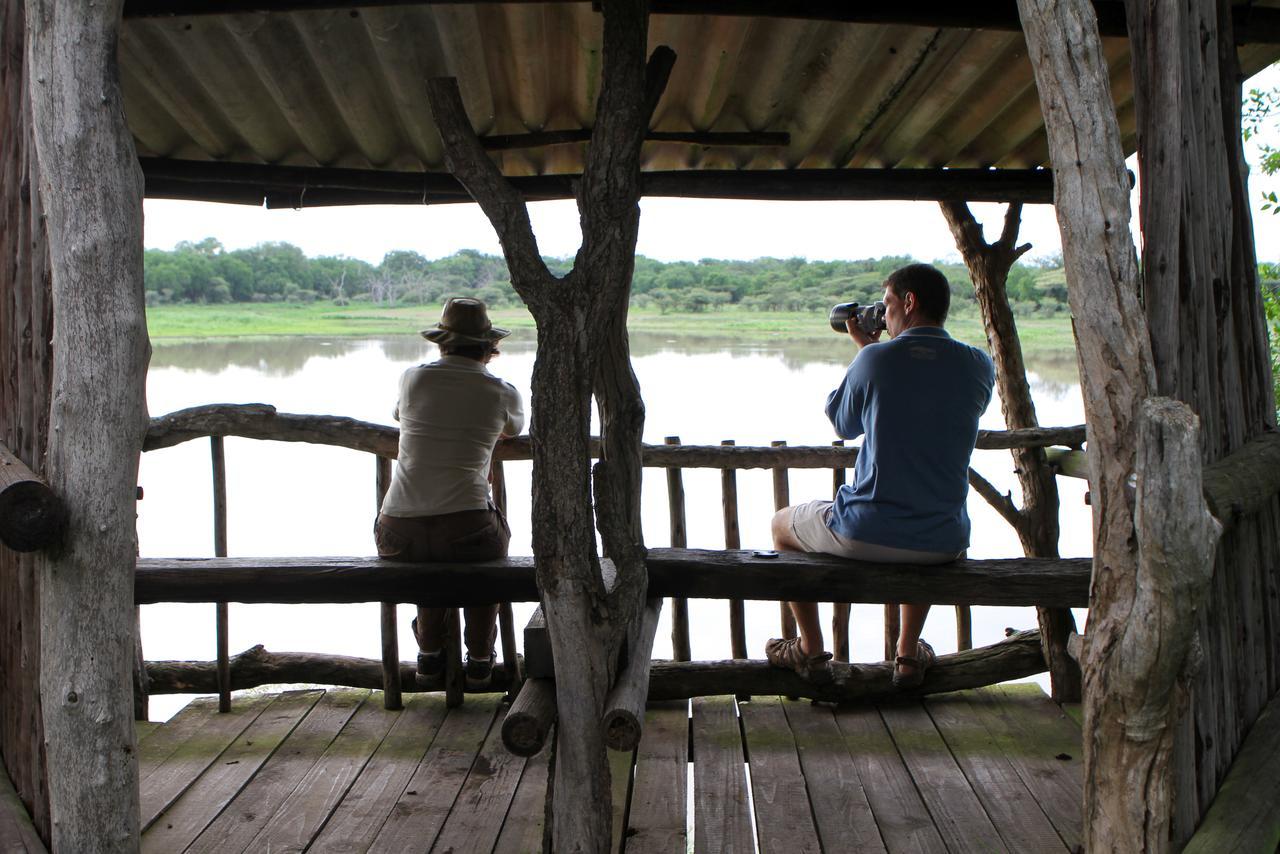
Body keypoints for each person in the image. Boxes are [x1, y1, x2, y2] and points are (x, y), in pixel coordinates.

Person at [765, 263, 994, 687]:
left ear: (909, 303)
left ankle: (810, 650)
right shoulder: (980, 365)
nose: (883, 315)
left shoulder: (875, 358)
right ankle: (907, 658)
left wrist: (865, 353)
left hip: (865, 531)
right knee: (922, 516)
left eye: (887, 305)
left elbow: (842, 423)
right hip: (943, 540)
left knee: (781, 524)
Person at [374, 297, 525, 686]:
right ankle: (479, 658)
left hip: (397, 531)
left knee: (429, 564)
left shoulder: (413, 378)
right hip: (467, 527)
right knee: (485, 565)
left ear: (441, 342)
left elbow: (398, 415)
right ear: (489, 347)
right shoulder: (501, 390)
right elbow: (514, 431)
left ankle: (429, 652)